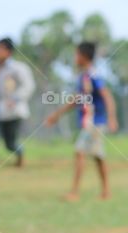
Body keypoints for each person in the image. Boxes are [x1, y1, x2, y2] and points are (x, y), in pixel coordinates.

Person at [45, 42, 119, 201]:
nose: (75, 57)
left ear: (84, 56)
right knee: (98, 157)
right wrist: (57, 115)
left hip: (95, 122)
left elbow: (107, 96)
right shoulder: (83, 76)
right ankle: (106, 191)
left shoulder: (93, 74)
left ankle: (74, 192)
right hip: (90, 122)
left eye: (76, 54)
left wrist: (112, 118)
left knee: (79, 151)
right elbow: (76, 100)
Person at [0, 37, 34, 180]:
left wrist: (15, 99)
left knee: (10, 144)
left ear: (8, 52)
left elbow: (28, 86)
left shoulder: (18, 68)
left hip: (13, 112)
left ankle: (20, 152)